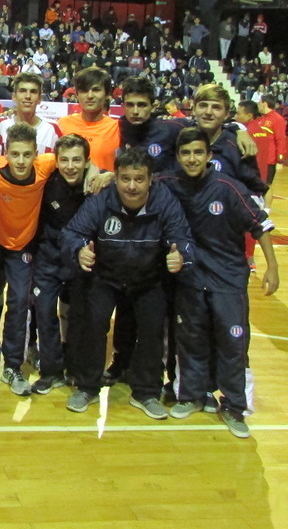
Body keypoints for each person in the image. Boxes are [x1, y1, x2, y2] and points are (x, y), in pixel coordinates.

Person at [160, 128, 279, 438]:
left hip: (227, 279)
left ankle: (234, 406)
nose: (191, 158)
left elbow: (261, 225)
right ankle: (193, 396)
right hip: (190, 278)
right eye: (185, 153)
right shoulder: (169, 184)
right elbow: (134, 182)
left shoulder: (229, 188)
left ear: (209, 156)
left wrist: (272, 268)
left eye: (198, 152)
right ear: (177, 157)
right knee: (191, 340)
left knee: (232, 344)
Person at [61, 148, 193, 419]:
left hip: (148, 278)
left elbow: (183, 237)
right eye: (125, 179)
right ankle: (87, 387)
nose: (131, 186)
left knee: (152, 333)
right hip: (105, 276)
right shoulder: (100, 201)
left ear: (150, 180)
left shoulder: (166, 202)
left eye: (139, 179)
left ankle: (146, 392)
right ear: (116, 178)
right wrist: (78, 250)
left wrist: (181, 255)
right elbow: (72, 232)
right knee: (93, 326)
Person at [0, 123, 59, 397]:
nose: (20, 161)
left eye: (26, 154)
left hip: (23, 245)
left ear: (36, 153)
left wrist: (97, 173)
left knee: (20, 301)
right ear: (5, 153)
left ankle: (13, 365)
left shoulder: (46, 166)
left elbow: (80, 159)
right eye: (15, 154)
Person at [30, 134, 92, 394]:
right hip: (48, 257)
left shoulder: (96, 186)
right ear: (56, 161)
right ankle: (51, 370)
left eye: (76, 160)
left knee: (78, 316)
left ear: (87, 162)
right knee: (44, 312)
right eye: (64, 160)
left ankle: (76, 367)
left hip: (80, 260)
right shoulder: (46, 181)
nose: (70, 166)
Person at [58, 68, 119, 171]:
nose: (90, 96)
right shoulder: (62, 125)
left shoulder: (118, 128)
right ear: (77, 94)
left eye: (96, 90)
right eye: (84, 91)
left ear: (107, 94)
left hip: (106, 187)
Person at [0, 73, 59, 154]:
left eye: (33, 92)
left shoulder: (52, 128)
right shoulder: (0, 124)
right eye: (22, 91)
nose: (28, 96)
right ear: (14, 97)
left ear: (40, 98)